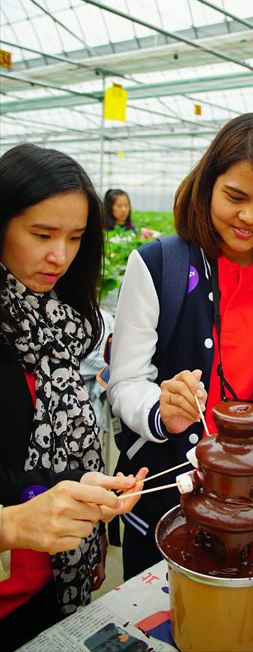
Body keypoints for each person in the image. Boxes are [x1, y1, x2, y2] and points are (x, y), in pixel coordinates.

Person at [108, 113, 253, 580]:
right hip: (172, 483)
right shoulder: (160, 264)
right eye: (235, 197)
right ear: (206, 184)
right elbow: (125, 383)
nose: (250, 217)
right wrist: (162, 407)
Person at [0, 143, 147, 649]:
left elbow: (47, 453)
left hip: (57, 581)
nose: (60, 256)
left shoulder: (61, 326)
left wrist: (86, 486)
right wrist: (13, 523)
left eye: (76, 238)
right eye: (41, 234)